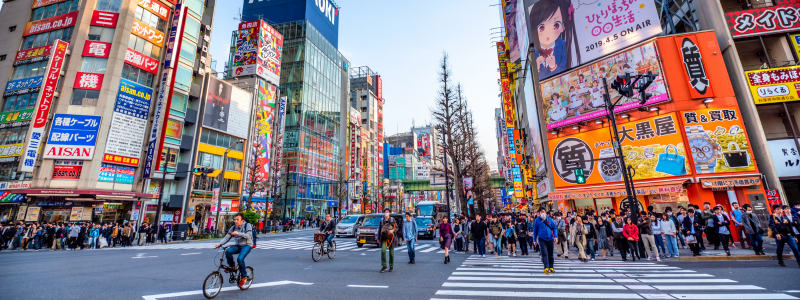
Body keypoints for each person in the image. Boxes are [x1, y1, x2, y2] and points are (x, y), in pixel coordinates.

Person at [215, 212, 253, 287]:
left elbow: (249, 236)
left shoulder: (247, 225)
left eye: (237, 220)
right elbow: (227, 237)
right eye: (235, 219)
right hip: (238, 245)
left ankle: (244, 276)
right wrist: (220, 244)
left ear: (242, 221)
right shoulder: (233, 227)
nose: (235, 221)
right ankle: (232, 266)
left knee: (240, 259)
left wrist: (239, 233)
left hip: (246, 245)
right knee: (228, 251)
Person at [532, 208, 557, 274]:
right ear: (539, 213)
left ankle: (551, 266)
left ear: (546, 212)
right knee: (544, 253)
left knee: (550, 253)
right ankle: (546, 267)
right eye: (541, 212)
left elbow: (554, 228)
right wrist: (534, 239)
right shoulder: (537, 220)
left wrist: (556, 236)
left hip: (550, 238)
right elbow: (535, 230)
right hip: (541, 238)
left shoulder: (550, 219)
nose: (542, 213)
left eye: (543, 211)